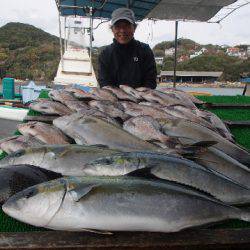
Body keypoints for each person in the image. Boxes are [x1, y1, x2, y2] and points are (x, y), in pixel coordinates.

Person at [98, 7, 157, 89]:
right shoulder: (105, 54)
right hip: (113, 99)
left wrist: (138, 97)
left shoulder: (145, 50)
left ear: (134, 28)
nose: (122, 30)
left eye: (127, 26)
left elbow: (150, 82)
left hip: (141, 99)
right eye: (117, 26)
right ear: (112, 29)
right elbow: (104, 83)